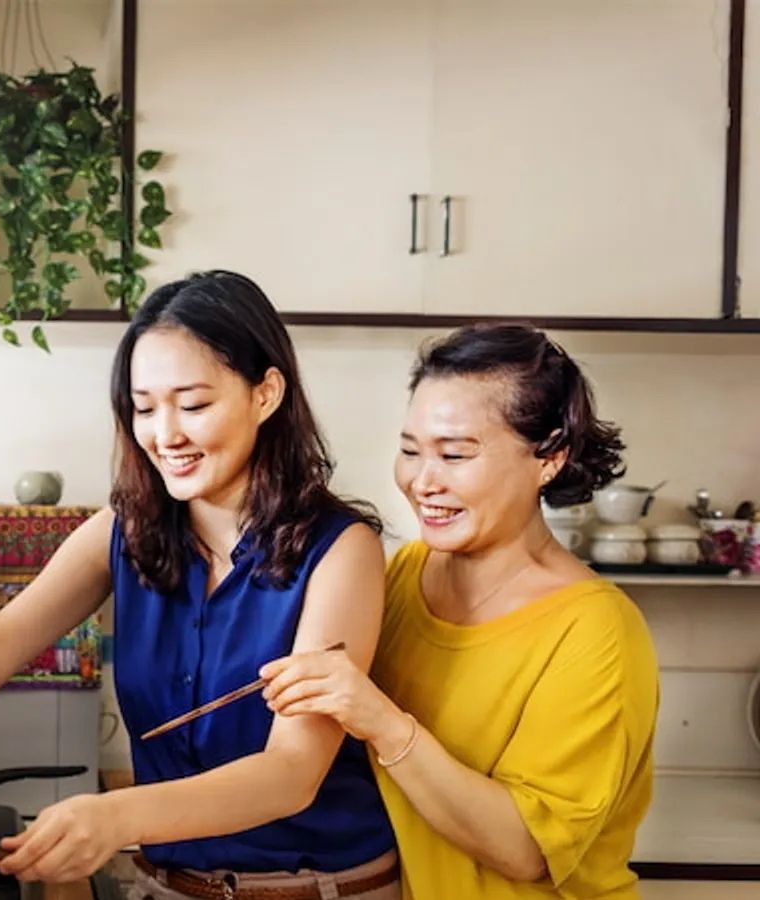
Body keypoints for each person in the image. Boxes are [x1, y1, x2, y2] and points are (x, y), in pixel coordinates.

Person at [0, 271, 401, 896]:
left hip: (317, 887)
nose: (165, 434)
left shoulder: (342, 551)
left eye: (193, 405)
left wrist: (116, 814)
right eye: (145, 407)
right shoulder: (125, 530)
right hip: (167, 886)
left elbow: (291, 772)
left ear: (265, 394)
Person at [261, 324, 659, 899]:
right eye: (410, 451)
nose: (423, 481)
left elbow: (525, 850)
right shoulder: (406, 572)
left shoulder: (596, 632)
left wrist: (379, 719)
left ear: (549, 457)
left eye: (454, 455)